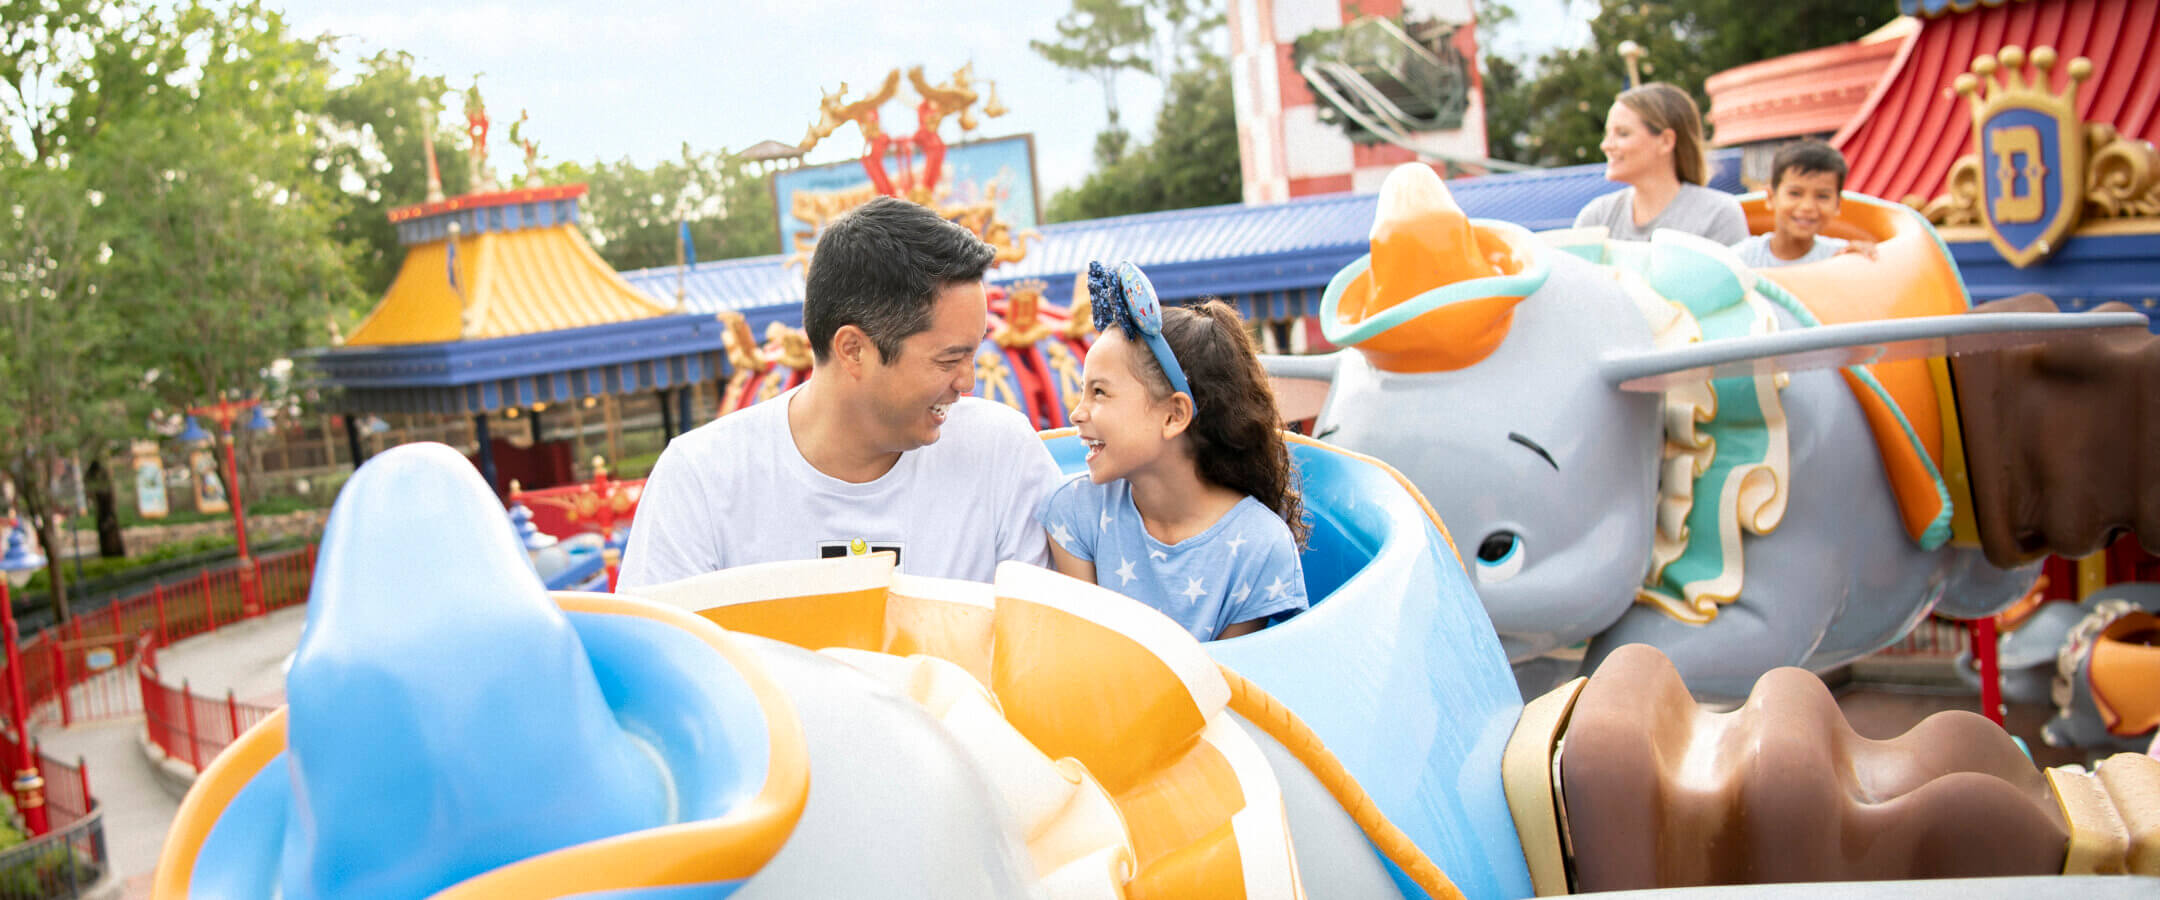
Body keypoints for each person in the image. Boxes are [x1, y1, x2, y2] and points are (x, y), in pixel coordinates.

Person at [617, 197, 1062, 588]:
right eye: (948, 360)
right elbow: (657, 662)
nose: (968, 381)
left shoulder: (1003, 455)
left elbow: (1050, 648)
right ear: (853, 349)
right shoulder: (701, 479)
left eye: (974, 353)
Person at [1042, 262, 1310, 642]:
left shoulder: (1260, 545)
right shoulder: (1076, 512)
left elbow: (1229, 685)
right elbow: (1085, 653)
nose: (1076, 413)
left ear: (1174, 415)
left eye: (1099, 392)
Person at [1574, 82, 1747, 244]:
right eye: (1607, 134)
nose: (1606, 145)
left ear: (1665, 141)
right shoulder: (1597, 217)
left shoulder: (1718, 215)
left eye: (1623, 134)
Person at [1730, 139, 1877, 268]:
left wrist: (1862, 259)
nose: (1807, 207)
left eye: (1822, 196)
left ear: (1838, 204)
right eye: (1795, 193)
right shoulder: (1742, 258)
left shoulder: (1842, 257)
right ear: (1771, 197)